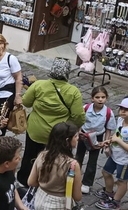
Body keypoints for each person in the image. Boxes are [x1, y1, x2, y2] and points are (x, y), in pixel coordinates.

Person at [17, 58, 86, 187]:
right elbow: (78, 116)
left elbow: (26, 102)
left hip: (35, 130)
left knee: (30, 155)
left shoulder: (39, 85)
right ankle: (47, 180)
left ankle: (24, 180)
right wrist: (68, 127)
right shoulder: (73, 92)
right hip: (57, 133)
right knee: (54, 157)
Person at [96, 98, 128, 210]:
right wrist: (110, 141)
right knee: (106, 172)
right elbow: (118, 134)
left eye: (127, 109)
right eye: (121, 108)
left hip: (125, 160)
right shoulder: (120, 120)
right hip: (115, 155)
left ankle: (115, 202)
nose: (122, 111)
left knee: (121, 181)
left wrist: (118, 141)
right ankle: (109, 192)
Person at [77, 86, 115, 194]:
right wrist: (79, 132)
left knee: (92, 161)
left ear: (106, 98)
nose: (100, 99)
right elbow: (80, 121)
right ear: (92, 98)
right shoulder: (86, 108)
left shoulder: (108, 113)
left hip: (97, 137)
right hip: (84, 134)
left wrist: (106, 143)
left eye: (103, 97)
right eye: (97, 97)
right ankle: (75, 177)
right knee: (78, 157)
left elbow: (108, 129)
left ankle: (86, 183)